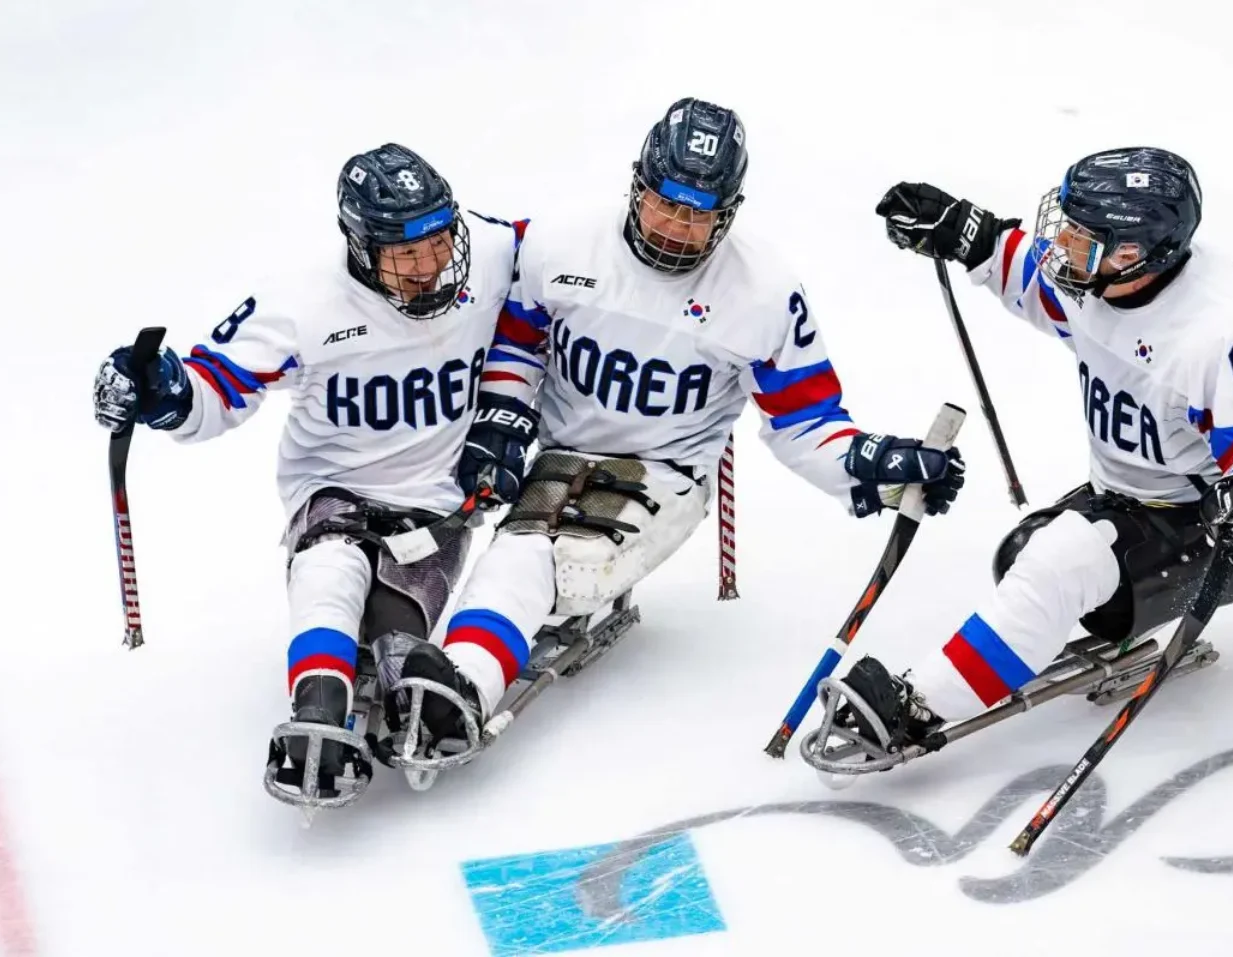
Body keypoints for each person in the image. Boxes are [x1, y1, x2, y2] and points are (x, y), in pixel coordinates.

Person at [392, 97, 968, 748]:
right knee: (523, 547)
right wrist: (502, 413)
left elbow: (804, 421)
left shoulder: (762, 293)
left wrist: (876, 467)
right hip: (561, 452)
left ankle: (466, 680)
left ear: (728, 214)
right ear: (637, 185)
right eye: (663, 203)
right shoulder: (560, 241)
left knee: (567, 561)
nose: (674, 227)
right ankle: (462, 680)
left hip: (667, 472)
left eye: (698, 215)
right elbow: (518, 337)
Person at [820, 146, 1233, 753]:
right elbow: (1029, 277)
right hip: (1139, 492)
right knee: (1023, 555)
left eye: (1081, 239)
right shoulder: (1101, 281)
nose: (1060, 245)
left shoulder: (1223, 329)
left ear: (1132, 254)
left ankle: (919, 707)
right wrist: (963, 229)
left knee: (1058, 564)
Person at [91, 143, 521, 797]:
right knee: (329, 568)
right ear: (360, 245)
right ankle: (317, 702)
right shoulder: (302, 302)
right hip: (332, 488)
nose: (430, 265)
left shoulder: (489, 252)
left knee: (398, 620)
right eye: (406, 253)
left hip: (436, 497)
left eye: (439, 243)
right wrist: (162, 389)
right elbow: (213, 391)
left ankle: (403, 669)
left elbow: (570, 260)